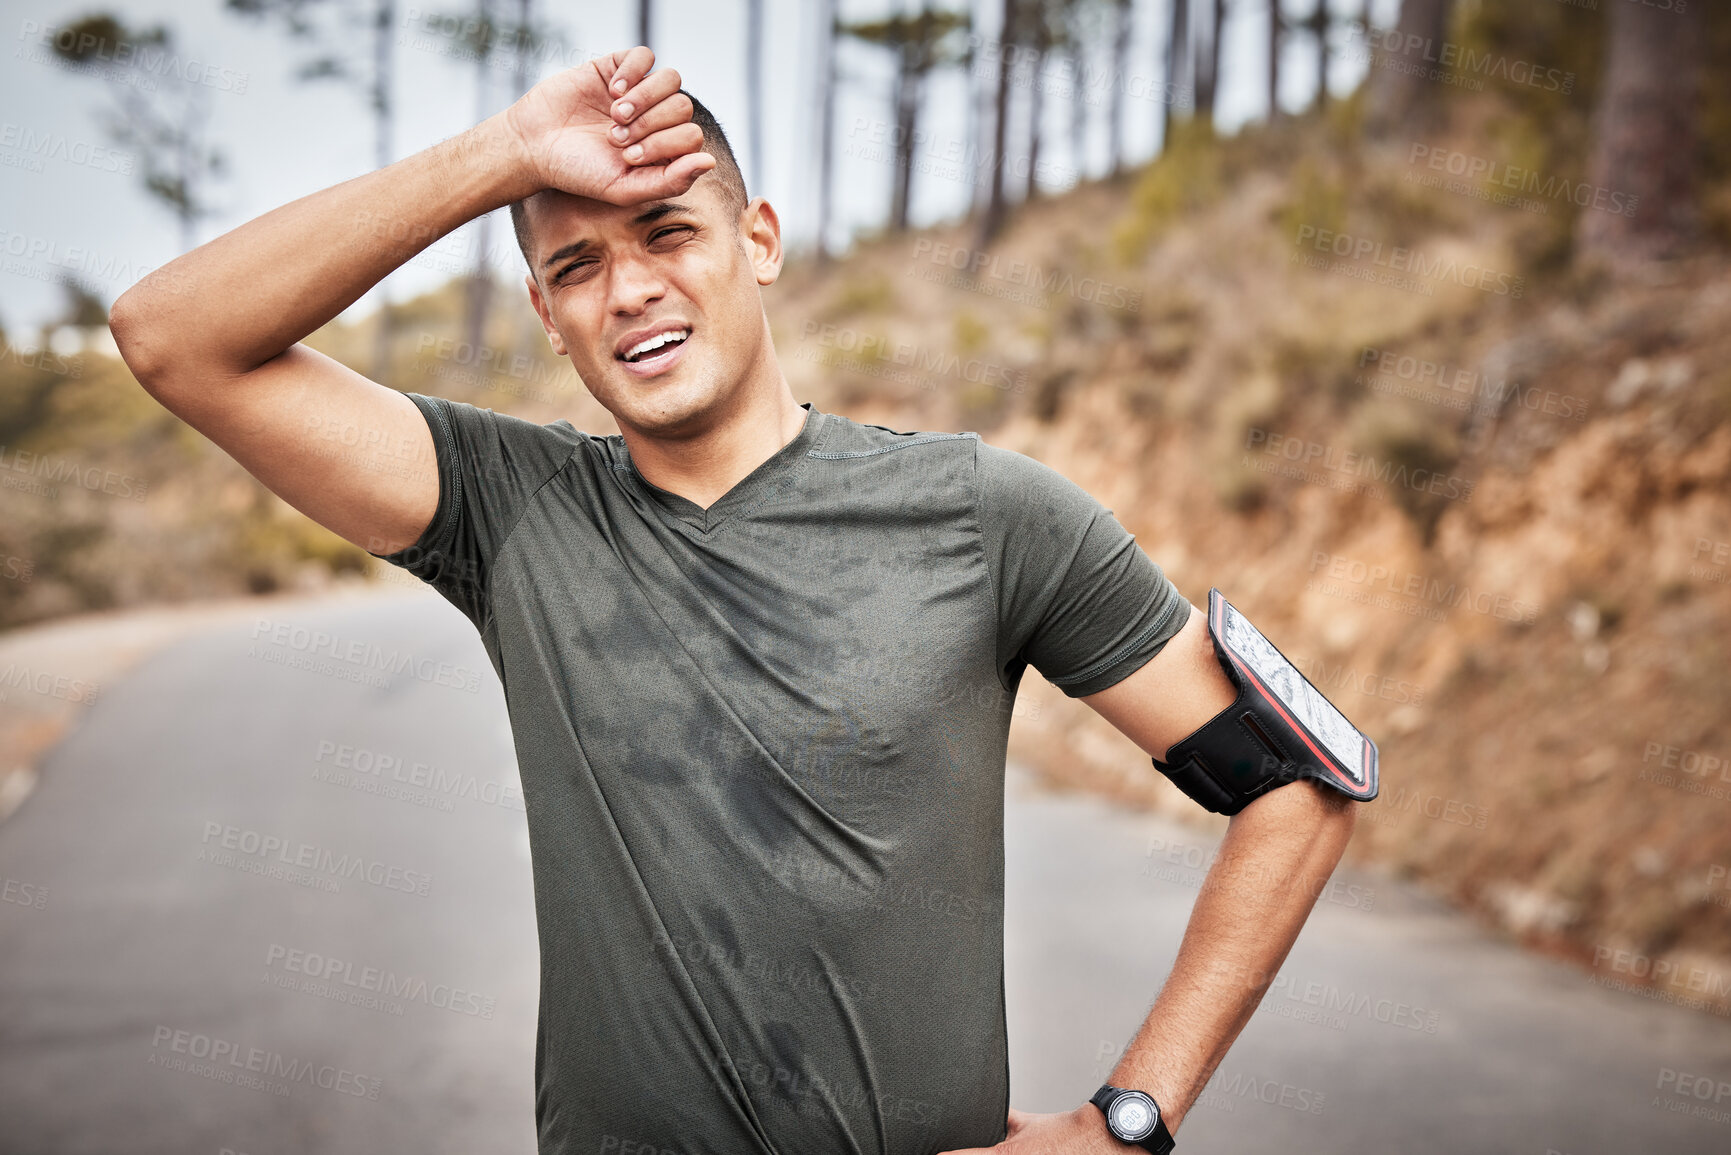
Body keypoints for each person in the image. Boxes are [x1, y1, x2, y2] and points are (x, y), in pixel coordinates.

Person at [109, 46, 1356, 1155]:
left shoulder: (984, 513)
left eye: (668, 232)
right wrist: (501, 153)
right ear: (545, 315)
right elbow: (173, 336)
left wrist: (1126, 1123)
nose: (632, 290)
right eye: (579, 266)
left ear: (756, 240)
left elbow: (1294, 788)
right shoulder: (509, 510)